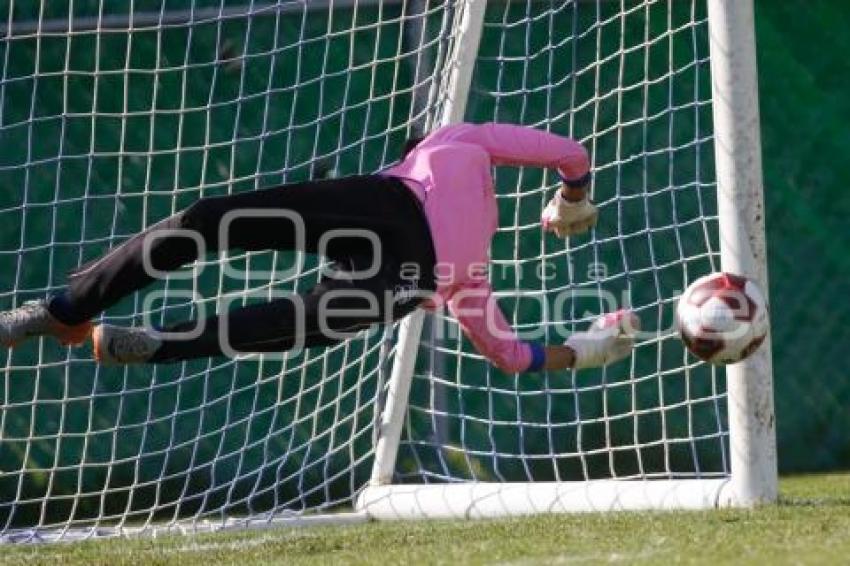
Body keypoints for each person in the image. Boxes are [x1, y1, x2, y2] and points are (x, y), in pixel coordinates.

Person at [0, 122, 638, 371]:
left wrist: (587, 347)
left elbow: (508, 352)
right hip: (415, 266)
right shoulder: (473, 270)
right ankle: (150, 340)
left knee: (211, 223)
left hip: (378, 209)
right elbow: (511, 353)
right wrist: (586, 349)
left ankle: (64, 310)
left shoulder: (448, 145)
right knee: (302, 321)